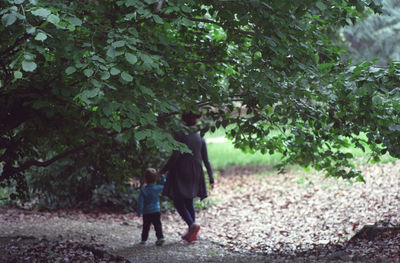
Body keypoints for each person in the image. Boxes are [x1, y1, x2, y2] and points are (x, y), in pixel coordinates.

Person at [160, 111, 214, 243]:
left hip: (181, 170)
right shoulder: (200, 136)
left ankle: (191, 225)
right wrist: (211, 178)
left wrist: (162, 171)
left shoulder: (179, 135)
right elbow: (206, 160)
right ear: (196, 119)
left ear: (183, 120)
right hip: (195, 172)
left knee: (178, 201)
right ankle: (192, 232)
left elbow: (175, 156)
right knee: (189, 201)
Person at [137, 168, 165, 246]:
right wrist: (163, 177)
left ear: (145, 179)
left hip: (147, 212)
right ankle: (160, 237)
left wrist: (139, 212)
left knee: (146, 226)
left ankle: (143, 240)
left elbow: (140, 202)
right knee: (158, 225)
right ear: (155, 179)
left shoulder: (143, 190)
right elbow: (164, 186)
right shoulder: (157, 188)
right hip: (156, 210)